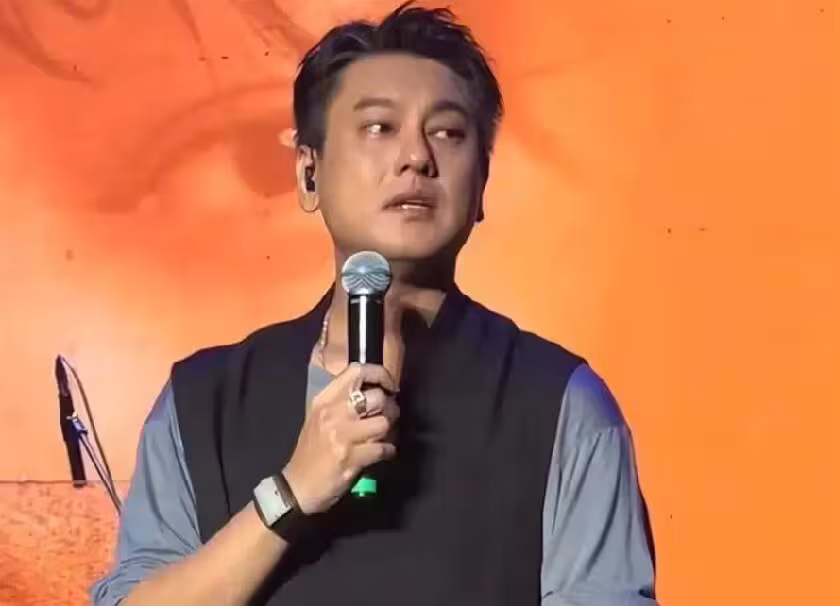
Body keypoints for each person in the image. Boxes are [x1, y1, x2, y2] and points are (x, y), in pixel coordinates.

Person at [91, 3, 657, 605]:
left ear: (482, 185)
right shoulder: (203, 402)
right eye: (380, 128)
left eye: (448, 133)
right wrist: (291, 494)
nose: (417, 157)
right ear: (309, 175)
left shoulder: (561, 403)